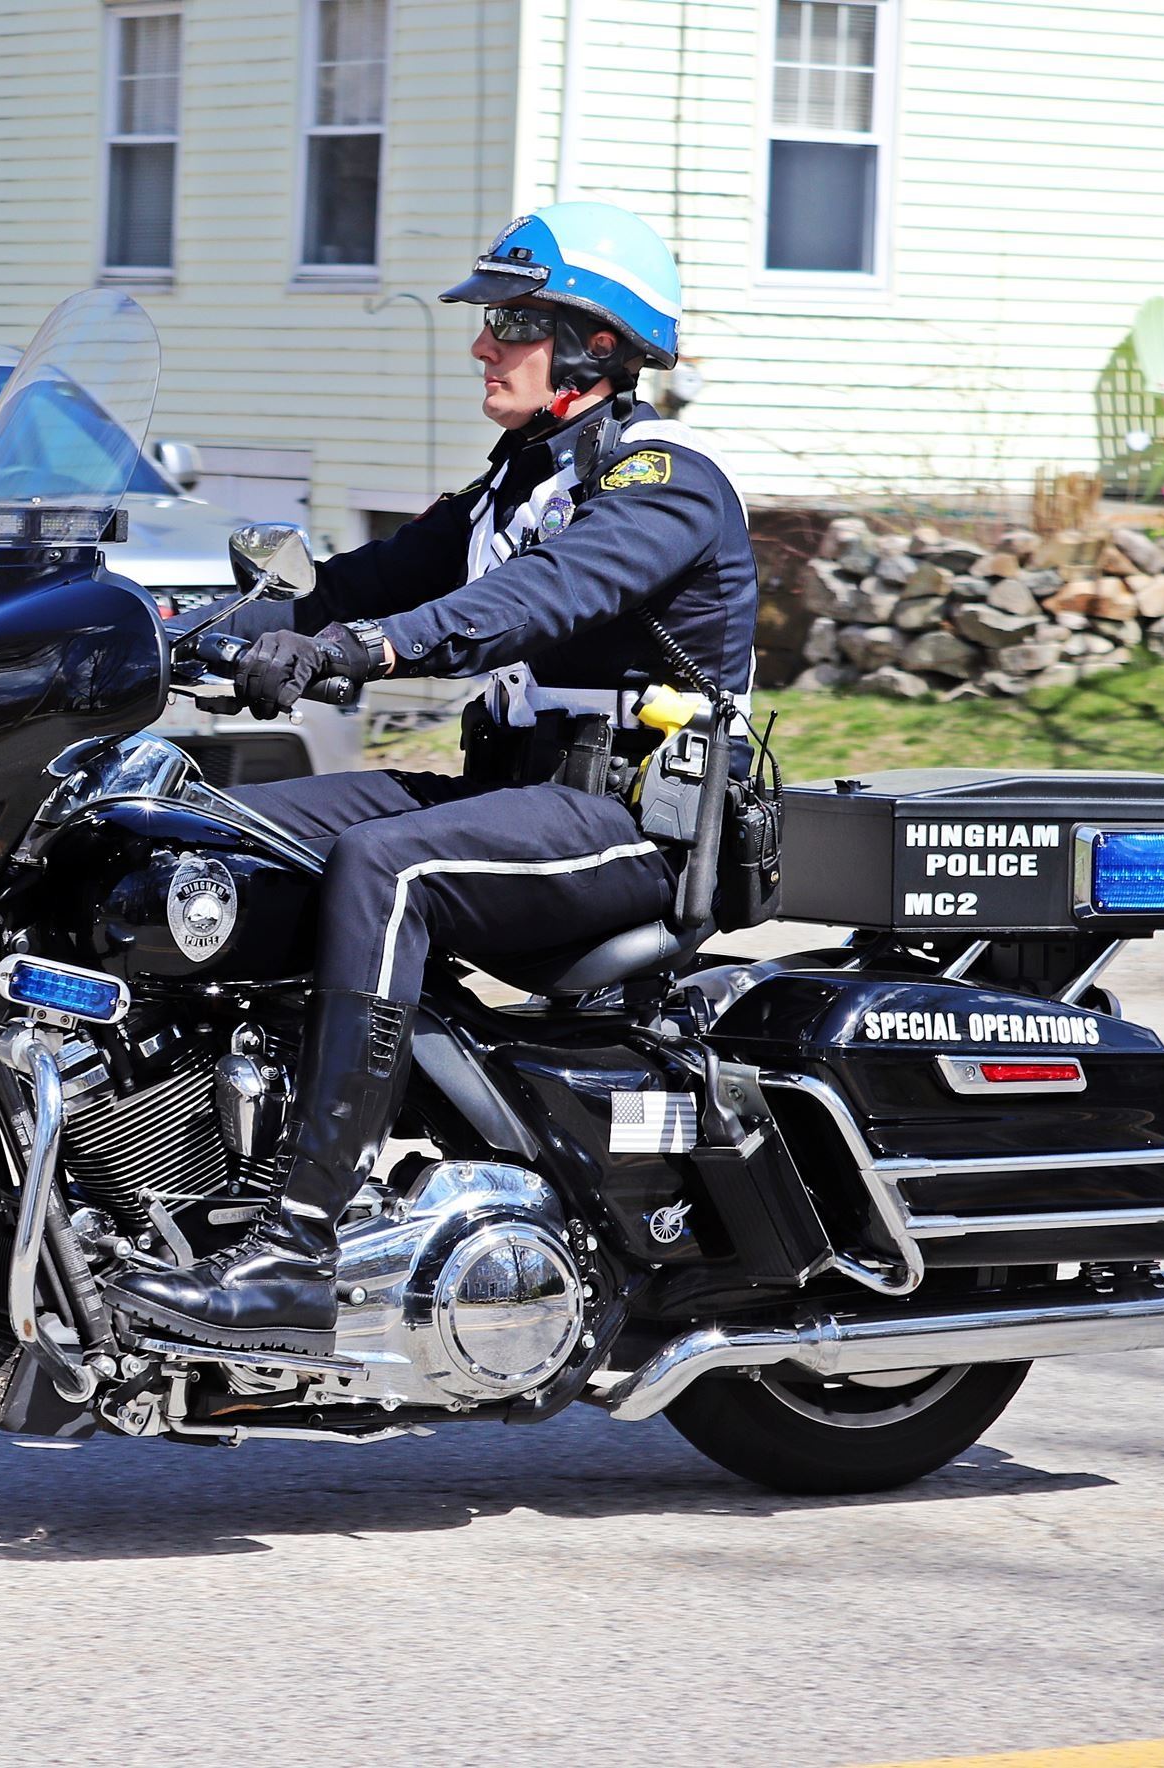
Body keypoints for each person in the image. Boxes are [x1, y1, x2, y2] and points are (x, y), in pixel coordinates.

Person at [108, 199, 760, 1354]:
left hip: (626, 825)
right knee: (198, 831)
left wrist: (364, 652)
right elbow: (354, 580)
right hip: (504, 794)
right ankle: (171, 1177)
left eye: (509, 322)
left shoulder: (662, 484)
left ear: (593, 347)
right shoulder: (508, 487)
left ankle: (297, 1246)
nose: (480, 344)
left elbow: (522, 604)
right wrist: (173, 628)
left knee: (384, 865)